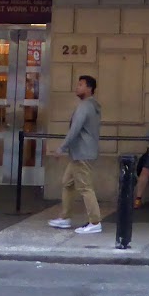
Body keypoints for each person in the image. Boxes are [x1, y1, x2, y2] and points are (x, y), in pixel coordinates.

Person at [49, 74, 103, 235]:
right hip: (81, 153)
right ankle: (65, 217)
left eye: (80, 85)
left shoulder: (84, 106)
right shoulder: (92, 106)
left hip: (82, 154)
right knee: (67, 183)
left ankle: (95, 221)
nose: (77, 87)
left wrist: (61, 148)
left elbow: (75, 129)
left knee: (85, 187)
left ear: (89, 88)